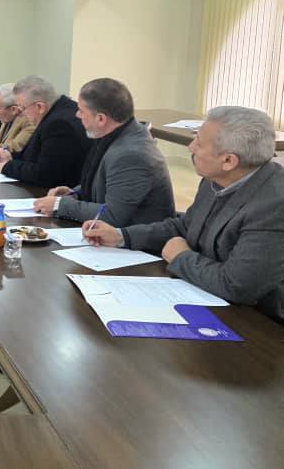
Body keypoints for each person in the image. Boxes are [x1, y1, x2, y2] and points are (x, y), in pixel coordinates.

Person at [83, 106, 284, 323]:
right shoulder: (216, 177)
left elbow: (237, 286)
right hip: (207, 294)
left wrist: (181, 257)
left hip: (260, 322)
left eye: (199, 142)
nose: (190, 147)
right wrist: (121, 236)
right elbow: (185, 226)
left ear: (228, 161)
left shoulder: (273, 205)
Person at [32, 78, 175, 226]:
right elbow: (109, 182)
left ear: (101, 119)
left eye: (81, 111)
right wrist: (75, 193)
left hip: (137, 236)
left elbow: (112, 216)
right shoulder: (116, 133)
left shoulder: (131, 154)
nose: (77, 115)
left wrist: (59, 205)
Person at [0, 76, 90, 187]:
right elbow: (36, 155)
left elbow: (45, 174)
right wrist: (10, 157)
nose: (19, 113)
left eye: (22, 108)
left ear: (40, 107)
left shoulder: (58, 124)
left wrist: (6, 167)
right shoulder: (56, 111)